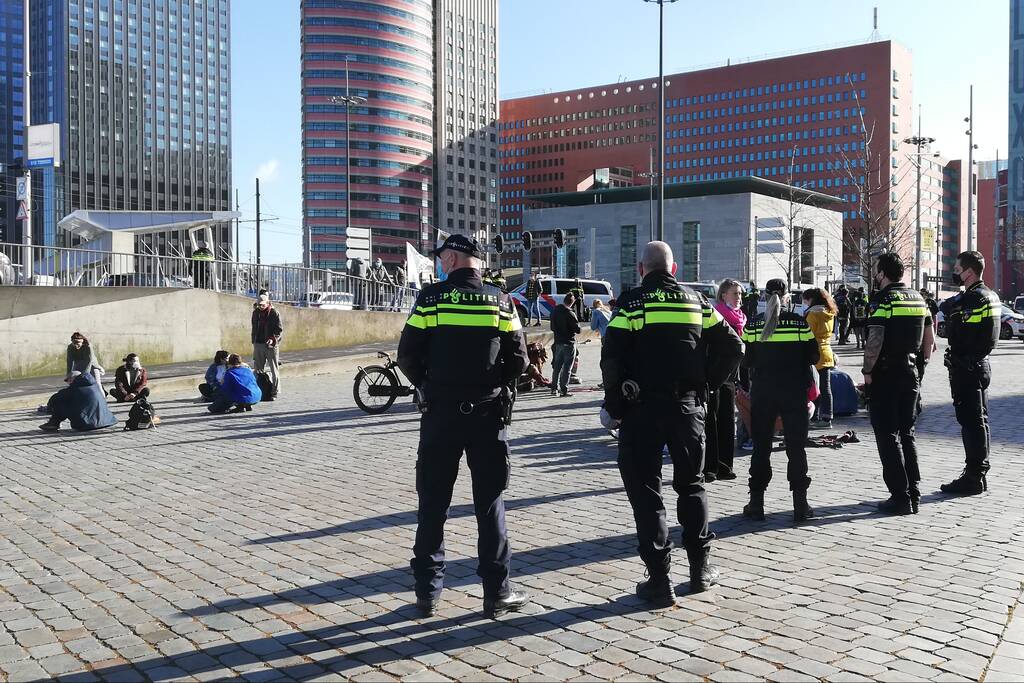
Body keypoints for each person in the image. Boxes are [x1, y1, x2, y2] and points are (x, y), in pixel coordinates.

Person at [601, 241, 743, 604]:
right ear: (675, 270)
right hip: (687, 408)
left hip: (641, 410)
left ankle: (659, 579)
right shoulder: (697, 302)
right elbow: (734, 346)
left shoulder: (631, 304)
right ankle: (700, 570)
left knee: (646, 493)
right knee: (692, 486)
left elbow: (611, 357)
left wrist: (614, 406)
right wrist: (708, 384)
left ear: (641, 269)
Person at [397, 233, 530, 618]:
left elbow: (408, 354)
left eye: (441, 258)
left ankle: (427, 593)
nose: (440, 263)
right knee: (489, 504)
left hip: (440, 414)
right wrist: (492, 383)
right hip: (488, 415)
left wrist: (428, 384)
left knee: (433, 504)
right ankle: (496, 592)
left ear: (453, 259)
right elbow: (519, 360)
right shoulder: (501, 301)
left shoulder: (431, 299)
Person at [741, 279, 820, 522]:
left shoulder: (753, 324)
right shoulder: (798, 323)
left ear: (764, 296)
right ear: (787, 297)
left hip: (763, 392)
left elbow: (745, 360)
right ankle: (800, 505)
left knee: (761, 448)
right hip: (793, 393)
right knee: (796, 448)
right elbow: (814, 355)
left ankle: (756, 504)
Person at [862, 253, 934, 515]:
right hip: (911, 372)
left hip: (886, 374)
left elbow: (875, 340)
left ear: (882, 273)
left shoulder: (882, 300)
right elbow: (930, 342)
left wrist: (868, 371)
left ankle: (899, 497)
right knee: (907, 433)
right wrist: (919, 368)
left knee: (887, 434)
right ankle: (914, 493)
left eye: (877, 271)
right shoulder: (919, 298)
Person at [939, 251, 1001, 495]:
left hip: (967, 366)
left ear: (969, 271)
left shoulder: (972, 299)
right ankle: (978, 473)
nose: (955, 272)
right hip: (981, 364)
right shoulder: (991, 296)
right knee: (980, 421)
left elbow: (961, 334)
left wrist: (953, 311)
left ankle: (974, 476)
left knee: (971, 423)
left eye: (957, 268)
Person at [705, 278, 747, 482]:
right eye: (735, 293)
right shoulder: (717, 314)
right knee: (711, 420)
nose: (739, 297)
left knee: (727, 420)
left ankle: (725, 465)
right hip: (716, 373)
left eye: (740, 293)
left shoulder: (741, 317)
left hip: (732, 375)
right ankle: (710, 467)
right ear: (723, 295)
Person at [802, 288, 837, 429]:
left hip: (814, 354)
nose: (804, 302)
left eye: (806, 299)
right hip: (827, 352)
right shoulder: (830, 312)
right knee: (826, 387)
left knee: (813, 387)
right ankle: (827, 417)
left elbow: (808, 335)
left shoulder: (812, 314)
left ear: (811, 299)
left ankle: (814, 416)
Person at [39, 372, 118, 432]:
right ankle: (53, 423)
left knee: (61, 401)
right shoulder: (95, 386)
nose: (68, 383)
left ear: (73, 379)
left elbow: (54, 398)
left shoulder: (74, 389)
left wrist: (49, 409)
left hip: (85, 424)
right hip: (107, 421)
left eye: (69, 380)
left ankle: (54, 423)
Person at [549, 292, 581, 397]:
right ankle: (564, 389)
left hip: (558, 342)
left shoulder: (555, 311)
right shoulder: (570, 313)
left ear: (564, 300)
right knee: (567, 367)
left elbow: (552, 327)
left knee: (557, 367)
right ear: (573, 302)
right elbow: (577, 330)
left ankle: (554, 388)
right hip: (569, 342)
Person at [251, 293, 283, 400]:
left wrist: (273, 339)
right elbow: (254, 327)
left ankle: (275, 392)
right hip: (258, 343)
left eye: (262, 305)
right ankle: (259, 391)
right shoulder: (255, 313)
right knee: (258, 369)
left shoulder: (274, 313)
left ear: (268, 303)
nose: (260, 307)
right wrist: (254, 341)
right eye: (258, 305)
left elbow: (279, 330)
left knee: (274, 369)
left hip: (271, 345)